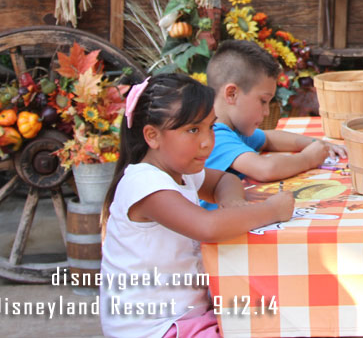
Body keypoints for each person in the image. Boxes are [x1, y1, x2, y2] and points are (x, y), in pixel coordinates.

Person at [100, 74, 294, 338]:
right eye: (193, 130)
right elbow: (207, 226)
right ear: (152, 136)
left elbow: (223, 180)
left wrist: (232, 203)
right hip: (153, 329)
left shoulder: (181, 172)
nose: (207, 141)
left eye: (210, 127)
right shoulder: (145, 184)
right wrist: (272, 210)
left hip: (187, 316)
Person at [203, 41, 346, 198]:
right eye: (263, 101)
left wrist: (318, 144)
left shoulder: (234, 130)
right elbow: (266, 169)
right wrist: (307, 159)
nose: (266, 112)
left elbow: (269, 138)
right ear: (231, 94)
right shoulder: (213, 136)